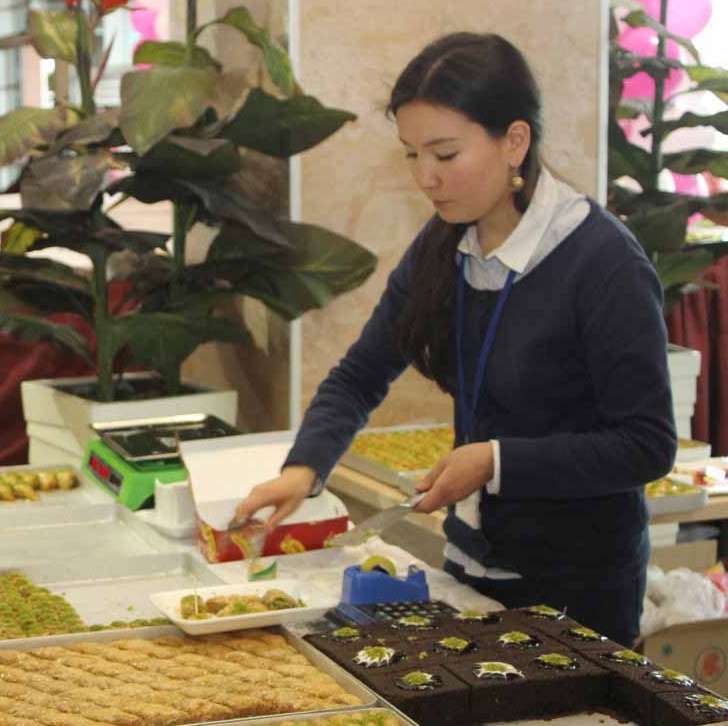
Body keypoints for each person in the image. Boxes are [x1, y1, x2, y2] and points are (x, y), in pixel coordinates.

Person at [234, 32, 676, 646]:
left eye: (444, 154)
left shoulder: (603, 262)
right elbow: (360, 375)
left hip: (579, 589)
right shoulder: (445, 242)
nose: (426, 178)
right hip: (470, 567)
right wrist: (303, 470)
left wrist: (497, 461)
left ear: (514, 141)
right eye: (412, 155)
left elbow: (646, 444)